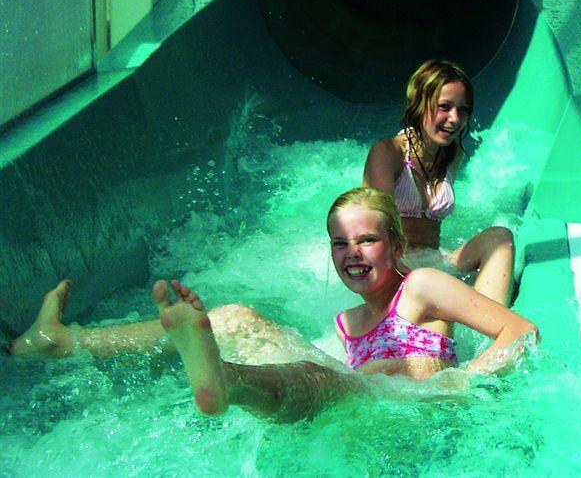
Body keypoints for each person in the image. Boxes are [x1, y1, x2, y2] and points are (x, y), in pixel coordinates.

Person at [19, 188, 540, 423]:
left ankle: (228, 382)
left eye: (367, 241)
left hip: (418, 411)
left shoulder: (422, 285)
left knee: (322, 380)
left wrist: (462, 383)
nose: (352, 254)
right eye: (340, 244)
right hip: (366, 403)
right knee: (236, 318)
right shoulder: (349, 323)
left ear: (397, 246)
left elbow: (520, 332)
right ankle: (65, 341)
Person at [363, 59, 514, 305]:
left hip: (433, 262)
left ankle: (489, 319)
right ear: (419, 104)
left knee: (500, 237)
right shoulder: (388, 153)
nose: (454, 119)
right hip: (393, 266)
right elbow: (372, 229)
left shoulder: (453, 154)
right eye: (444, 107)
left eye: (462, 110)